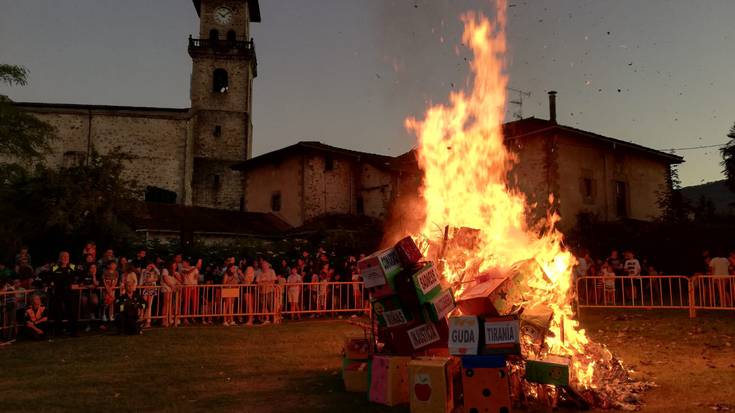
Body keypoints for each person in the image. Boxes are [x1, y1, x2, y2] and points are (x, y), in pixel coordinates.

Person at [46, 251, 79, 338]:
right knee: (58, 312)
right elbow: (48, 276)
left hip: (70, 292)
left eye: (67, 256)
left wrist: (78, 284)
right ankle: (58, 332)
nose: (65, 258)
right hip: (58, 292)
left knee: (72, 312)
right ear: (60, 258)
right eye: (63, 256)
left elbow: (81, 274)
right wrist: (50, 283)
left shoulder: (72, 266)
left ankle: (73, 332)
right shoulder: (55, 267)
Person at [180, 257, 200, 325]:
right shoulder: (182, 269)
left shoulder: (194, 268)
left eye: (184, 263)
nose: (182, 264)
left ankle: (192, 317)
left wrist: (197, 275)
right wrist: (195, 268)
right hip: (187, 286)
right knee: (186, 302)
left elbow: (196, 276)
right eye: (182, 263)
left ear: (187, 263)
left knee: (194, 302)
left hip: (194, 286)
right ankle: (185, 318)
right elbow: (188, 272)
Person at [140, 262, 160, 328]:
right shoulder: (144, 271)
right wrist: (141, 286)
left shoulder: (154, 272)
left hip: (152, 288)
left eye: (150, 266)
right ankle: (141, 320)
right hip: (145, 288)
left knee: (149, 305)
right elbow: (142, 280)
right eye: (148, 266)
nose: (149, 267)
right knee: (143, 305)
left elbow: (158, 274)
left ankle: (148, 321)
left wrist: (154, 267)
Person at [160, 261, 179, 327]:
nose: (175, 266)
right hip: (166, 289)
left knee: (170, 304)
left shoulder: (173, 273)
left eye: (176, 265)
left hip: (171, 289)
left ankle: (169, 319)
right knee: (166, 304)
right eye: (174, 264)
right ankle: (164, 320)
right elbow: (165, 279)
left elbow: (177, 281)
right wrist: (172, 286)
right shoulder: (165, 270)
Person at [101, 260, 119, 329]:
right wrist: (107, 288)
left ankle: (111, 315)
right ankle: (104, 314)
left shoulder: (116, 272)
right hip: (106, 290)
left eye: (115, 265)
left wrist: (111, 288)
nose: (114, 266)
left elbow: (116, 280)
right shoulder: (105, 272)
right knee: (106, 301)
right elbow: (104, 280)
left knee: (112, 302)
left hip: (112, 289)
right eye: (112, 264)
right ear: (108, 265)